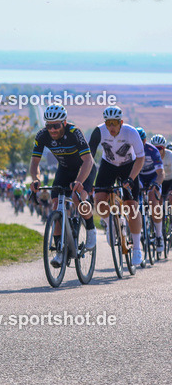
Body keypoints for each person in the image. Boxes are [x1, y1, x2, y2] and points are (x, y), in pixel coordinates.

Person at [27, 104, 97, 266]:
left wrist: (79, 181)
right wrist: (35, 179)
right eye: (49, 126)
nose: (52, 130)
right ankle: (59, 251)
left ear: (64, 123)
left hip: (84, 169)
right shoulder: (42, 135)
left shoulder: (74, 132)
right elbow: (34, 163)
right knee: (55, 205)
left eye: (56, 126)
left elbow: (88, 160)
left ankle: (91, 229)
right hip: (64, 170)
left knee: (77, 197)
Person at [88, 106, 146, 266]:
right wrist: (87, 180)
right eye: (108, 123)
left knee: (131, 206)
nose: (111, 127)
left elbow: (140, 158)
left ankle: (136, 248)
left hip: (129, 166)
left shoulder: (131, 132)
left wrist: (131, 178)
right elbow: (89, 157)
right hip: (108, 165)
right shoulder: (99, 131)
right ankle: (111, 225)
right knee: (99, 200)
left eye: (114, 123)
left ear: (121, 122)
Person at [135, 128, 165, 247]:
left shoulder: (152, 150)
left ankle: (159, 235)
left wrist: (156, 183)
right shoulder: (129, 150)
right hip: (140, 177)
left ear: (145, 140)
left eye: (140, 141)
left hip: (153, 176)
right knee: (135, 204)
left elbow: (161, 173)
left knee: (153, 201)